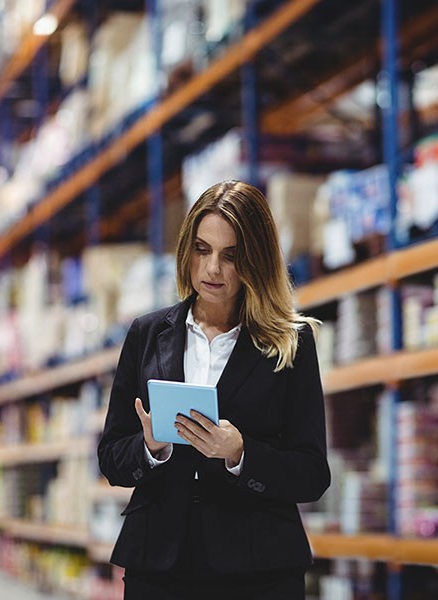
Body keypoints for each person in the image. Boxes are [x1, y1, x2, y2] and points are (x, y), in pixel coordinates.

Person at [97, 180, 331, 600]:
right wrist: (151, 447)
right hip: (159, 567)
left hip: (258, 573)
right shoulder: (147, 334)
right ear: (186, 251)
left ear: (256, 260)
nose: (212, 269)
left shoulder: (290, 343)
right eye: (202, 250)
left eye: (231, 255)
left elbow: (312, 474)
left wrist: (240, 453)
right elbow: (112, 457)